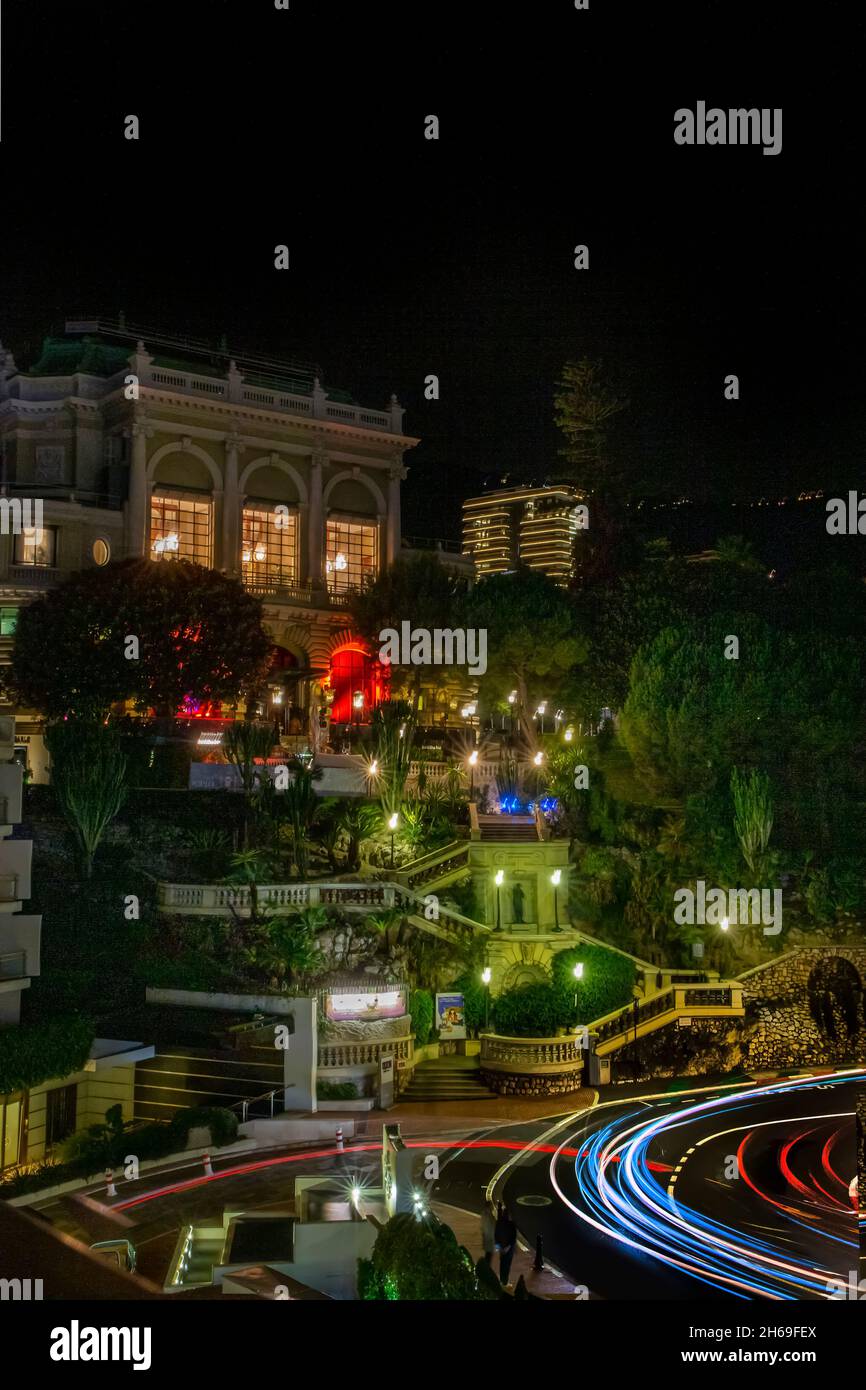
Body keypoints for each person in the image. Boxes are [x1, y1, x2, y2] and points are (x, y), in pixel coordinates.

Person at [495, 1205, 517, 1286]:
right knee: (507, 1265)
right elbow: (513, 1238)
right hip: (509, 1249)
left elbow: (496, 1235)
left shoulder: (499, 1222)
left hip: (502, 1248)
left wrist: (499, 1247)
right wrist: (508, 1247)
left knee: (502, 1264)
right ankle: (505, 1281)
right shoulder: (512, 1225)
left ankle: (502, 1280)